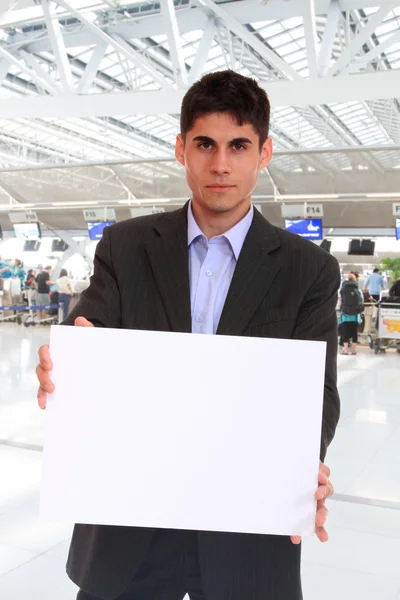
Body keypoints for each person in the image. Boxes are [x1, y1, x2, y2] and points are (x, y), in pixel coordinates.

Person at [36, 70, 339, 600]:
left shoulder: (306, 269)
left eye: (238, 146)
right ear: (181, 148)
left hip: (244, 527)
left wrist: (297, 467)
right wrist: (64, 359)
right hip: (131, 525)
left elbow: (318, 395)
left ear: (264, 153)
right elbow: (90, 331)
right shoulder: (127, 247)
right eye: (205, 144)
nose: (220, 164)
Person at [339, 273, 364, 355]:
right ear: (355, 280)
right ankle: (354, 350)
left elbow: (340, 301)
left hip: (345, 314)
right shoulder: (358, 290)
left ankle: (345, 350)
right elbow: (362, 301)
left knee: (345, 331)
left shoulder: (343, 290)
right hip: (355, 315)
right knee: (354, 332)